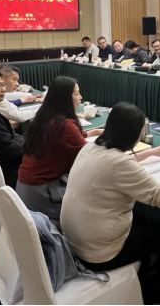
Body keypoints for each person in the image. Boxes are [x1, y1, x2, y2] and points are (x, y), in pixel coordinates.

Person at [61, 102, 160, 304]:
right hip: (99, 253)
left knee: (145, 224)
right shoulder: (120, 163)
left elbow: (116, 163)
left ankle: (145, 281)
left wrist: (150, 153)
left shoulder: (90, 147)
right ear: (134, 135)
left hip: (74, 242)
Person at [17, 76, 103, 228]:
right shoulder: (65, 125)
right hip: (42, 193)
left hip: (26, 187)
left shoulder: (46, 116)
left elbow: (61, 138)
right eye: (77, 94)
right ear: (65, 97)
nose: (81, 98)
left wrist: (93, 132)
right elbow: (88, 158)